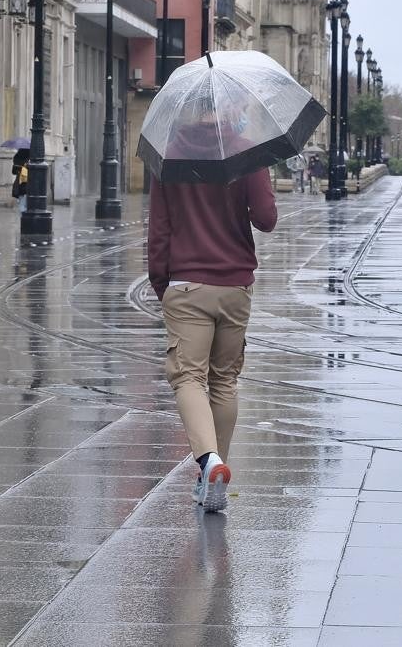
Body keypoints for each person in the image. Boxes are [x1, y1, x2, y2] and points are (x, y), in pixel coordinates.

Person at [148, 111, 278, 513]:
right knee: (224, 379)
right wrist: (258, 171)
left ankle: (209, 463)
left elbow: (160, 228)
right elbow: (267, 219)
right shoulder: (245, 152)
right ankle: (213, 477)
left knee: (188, 376)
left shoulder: (168, 155)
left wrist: (160, 282)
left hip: (186, 282)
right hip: (235, 285)